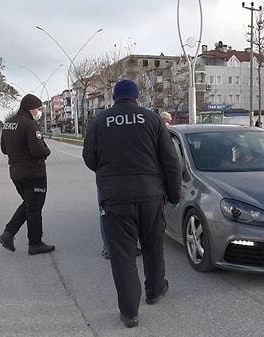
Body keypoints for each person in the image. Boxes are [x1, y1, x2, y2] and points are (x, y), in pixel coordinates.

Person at [82, 79, 181, 328]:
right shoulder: (152, 119)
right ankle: (155, 291)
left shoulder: (99, 121)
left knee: (123, 255)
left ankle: (129, 313)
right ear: (136, 97)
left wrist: (108, 175)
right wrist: (175, 195)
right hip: (150, 195)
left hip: (115, 199)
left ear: (114, 97)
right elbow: (170, 160)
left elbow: (89, 158)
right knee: (153, 246)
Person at [0, 93, 55, 256]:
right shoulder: (29, 125)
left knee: (30, 204)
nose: (39, 112)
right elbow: (38, 150)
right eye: (38, 109)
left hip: (16, 172)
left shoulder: (8, 124)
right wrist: (47, 151)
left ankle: (8, 234)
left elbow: (4, 149)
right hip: (33, 172)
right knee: (35, 207)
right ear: (31, 109)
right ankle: (35, 243)